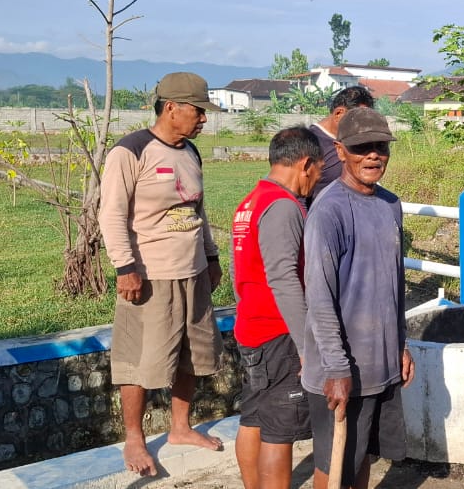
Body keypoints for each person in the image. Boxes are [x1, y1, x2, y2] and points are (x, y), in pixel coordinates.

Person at [98, 71, 226, 476]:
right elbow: (111, 215)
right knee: (138, 358)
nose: (203, 119)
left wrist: (211, 256)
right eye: (198, 111)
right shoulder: (131, 151)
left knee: (193, 353)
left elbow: (198, 210)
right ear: (171, 108)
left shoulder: (190, 152)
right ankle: (134, 438)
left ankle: (180, 428)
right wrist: (125, 268)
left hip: (193, 272)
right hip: (150, 275)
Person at [301, 107, 414, 489]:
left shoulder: (390, 204)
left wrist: (400, 344)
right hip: (341, 369)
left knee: (362, 455)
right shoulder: (329, 210)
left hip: (380, 364)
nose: (373, 155)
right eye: (362, 147)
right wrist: (336, 368)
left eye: (380, 146)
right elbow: (319, 297)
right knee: (333, 464)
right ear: (340, 150)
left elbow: (393, 282)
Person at [230, 127, 324, 489]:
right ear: (306, 164)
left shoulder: (250, 202)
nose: (316, 181)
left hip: (252, 327)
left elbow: (242, 270)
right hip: (277, 332)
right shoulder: (283, 205)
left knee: (254, 418)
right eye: (318, 172)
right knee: (279, 431)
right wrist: (305, 344)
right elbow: (283, 278)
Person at [308, 86, 376, 204]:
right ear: (339, 113)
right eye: (359, 119)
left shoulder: (357, 141)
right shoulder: (310, 142)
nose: (363, 125)